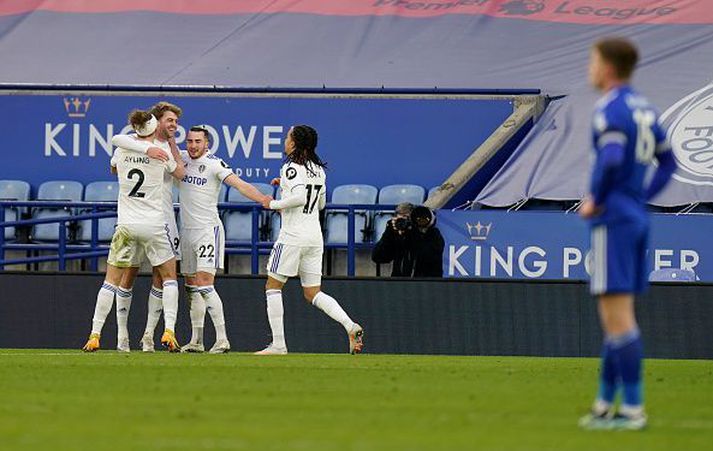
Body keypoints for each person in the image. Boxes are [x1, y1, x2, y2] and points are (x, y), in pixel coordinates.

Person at [578, 37, 676, 430]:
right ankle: (604, 404)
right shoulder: (645, 108)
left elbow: (613, 156)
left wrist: (596, 198)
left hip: (614, 219)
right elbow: (669, 162)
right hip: (634, 216)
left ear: (606, 67)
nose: (590, 68)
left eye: (592, 61)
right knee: (617, 316)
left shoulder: (610, 108)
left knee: (617, 318)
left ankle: (632, 409)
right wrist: (641, 196)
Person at [83, 110, 186, 352]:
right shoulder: (162, 155)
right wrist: (153, 150)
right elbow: (179, 172)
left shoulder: (122, 149)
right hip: (154, 225)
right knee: (169, 277)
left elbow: (113, 165)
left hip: (127, 225)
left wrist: (138, 150)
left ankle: (95, 334)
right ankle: (169, 330)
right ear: (154, 127)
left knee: (110, 281)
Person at [255, 125, 364, 355]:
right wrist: (284, 187)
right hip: (315, 236)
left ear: (294, 143)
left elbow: (300, 197)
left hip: (292, 236)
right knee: (312, 292)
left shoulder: (291, 166)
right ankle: (349, 325)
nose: (285, 141)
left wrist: (272, 204)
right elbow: (320, 203)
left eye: (287, 137)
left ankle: (278, 345)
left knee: (272, 286)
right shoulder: (317, 169)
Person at [178, 126, 271, 353]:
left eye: (198, 141)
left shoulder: (214, 164)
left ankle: (222, 339)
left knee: (204, 283)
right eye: (190, 141)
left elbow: (239, 184)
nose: (193, 145)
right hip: (187, 231)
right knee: (191, 286)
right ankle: (197, 340)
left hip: (208, 231)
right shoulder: (180, 159)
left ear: (207, 143)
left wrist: (262, 198)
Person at [110, 102, 184, 352]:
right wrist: (145, 149)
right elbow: (113, 165)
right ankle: (122, 336)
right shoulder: (131, 141)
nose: (174, 125)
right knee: (127, 275)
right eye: (169, 120)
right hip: (141, 218)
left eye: (176, 121)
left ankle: (149, 336)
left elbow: (181, 173)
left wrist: (171, 146)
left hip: (163, 220)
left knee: (161, 279)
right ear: (156, 121)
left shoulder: (169, 148)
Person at [371, 203, 444, 277]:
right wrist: (389, 232)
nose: (405, 223)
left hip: (424, 284)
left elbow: (428, 257)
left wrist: (415, 231)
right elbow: (378, 257)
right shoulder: (397, 235)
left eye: (407, 218)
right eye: (401, 219)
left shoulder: (433, 234)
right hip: (399, 284)